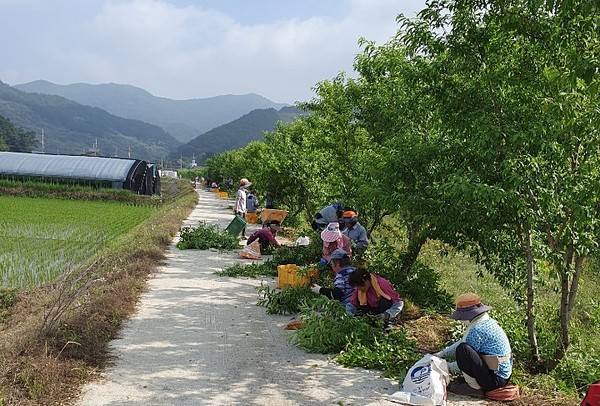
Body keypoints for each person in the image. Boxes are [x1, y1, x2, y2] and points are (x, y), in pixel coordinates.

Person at [433, 293, 513, 398]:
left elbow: (465, 358)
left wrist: (445, 367)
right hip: (503, 375)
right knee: (463, 348)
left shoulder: (476, 330)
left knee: (463, 350)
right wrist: (442, 354)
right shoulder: (485, 321)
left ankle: (474, 387)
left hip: (495, 380)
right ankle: (475, 381)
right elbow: (463, 341)